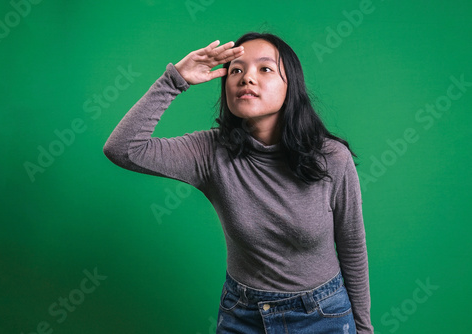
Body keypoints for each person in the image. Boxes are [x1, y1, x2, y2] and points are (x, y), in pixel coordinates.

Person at [103, 32, 373, 333]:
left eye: (265, 68)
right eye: (236, 70)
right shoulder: (210, 153)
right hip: (242, 315)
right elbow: (123, 149)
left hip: (321, 315)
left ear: (290, 84)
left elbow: (352, 246)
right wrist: (175, 79)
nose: (247, 78)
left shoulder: (331, 158)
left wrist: (364, 329)